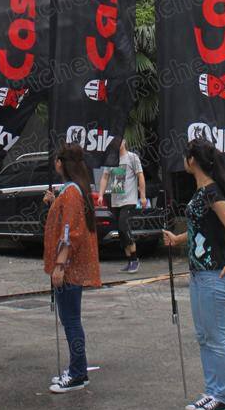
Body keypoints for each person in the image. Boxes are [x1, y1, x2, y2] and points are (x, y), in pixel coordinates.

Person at [162, 134, 225, 410]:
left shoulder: (211, 192)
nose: (183, 160)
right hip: (198, 274)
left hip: (212, 275)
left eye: (185, 156)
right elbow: (201, 230)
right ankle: (212, 391)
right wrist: (177, 239)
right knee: (204, 336)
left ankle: (223, 396)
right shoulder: (201, 193)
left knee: (215, 336)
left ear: (192, 160)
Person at [43, 144, 101, 393]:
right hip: (70, 266)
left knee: (71, 321)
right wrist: (53, 203)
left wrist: (59, 265)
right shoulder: (72, 191)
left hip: (69, 267)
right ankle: (78, 369)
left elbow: (70, 231)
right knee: (70, 320)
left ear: (60, 163)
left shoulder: (72, 192)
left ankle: (78, 372)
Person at [97, 138, 147, 272]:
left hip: (129, 200)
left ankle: (135, 259)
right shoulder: (111, 159)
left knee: (123, 227)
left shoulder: (132, 157)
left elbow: (140, 176)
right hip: (116, 200)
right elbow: (105, 177)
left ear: (124, 142)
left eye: (119, 141)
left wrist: (142, 196)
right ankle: (130, 260)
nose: (117, 144)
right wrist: (101, 194)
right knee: (120, 232)